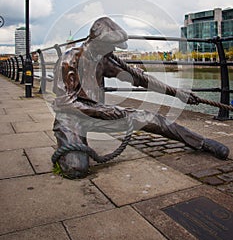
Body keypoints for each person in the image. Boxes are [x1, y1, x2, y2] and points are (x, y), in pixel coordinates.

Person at [53, 17, 229, 178]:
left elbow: (142, 80)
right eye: (111, 45)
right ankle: (72, 145)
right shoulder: (70, 60)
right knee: (76, 169)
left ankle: (202, 142)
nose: (114, 50)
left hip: (101, 114)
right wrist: (105, 110)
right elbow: (64, 104)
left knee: (153, 119)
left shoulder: (103, 60)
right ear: (98, 42)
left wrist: (177, 93)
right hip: (72, 118)